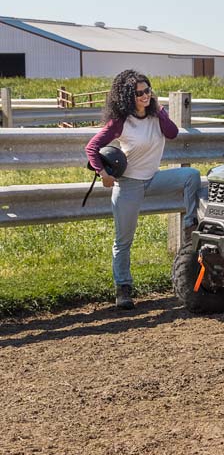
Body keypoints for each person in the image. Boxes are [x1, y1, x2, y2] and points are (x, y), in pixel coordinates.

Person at [85, 70, 201, 310]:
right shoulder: (120, 122)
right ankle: (123, 289)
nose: (145, 96)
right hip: (129, 184)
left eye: (147, 90)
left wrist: (159, 110)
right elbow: (92, 147)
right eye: (139, 93)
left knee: (192, 176)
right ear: (128, 96)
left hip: (153, 178)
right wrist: (103, 174)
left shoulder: (156, 115)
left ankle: (190, 226)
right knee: (123, 241)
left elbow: (173, 133)